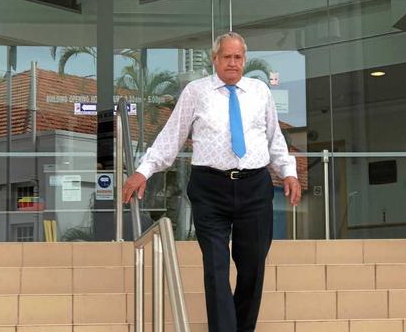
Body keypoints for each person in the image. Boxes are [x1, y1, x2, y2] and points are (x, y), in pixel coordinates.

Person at [122, 31, 301, 332]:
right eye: (227, 57)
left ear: (244, 60)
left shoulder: (259, 92)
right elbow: (172, 136)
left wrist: (289, 172)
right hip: (210, 188)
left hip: (254, 187)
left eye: (238, 57)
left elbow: (274, 139)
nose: (233, 63)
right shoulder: (196, 91)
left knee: (253, 266)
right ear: (214, 59)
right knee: (216, 267)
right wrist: (144, 170)